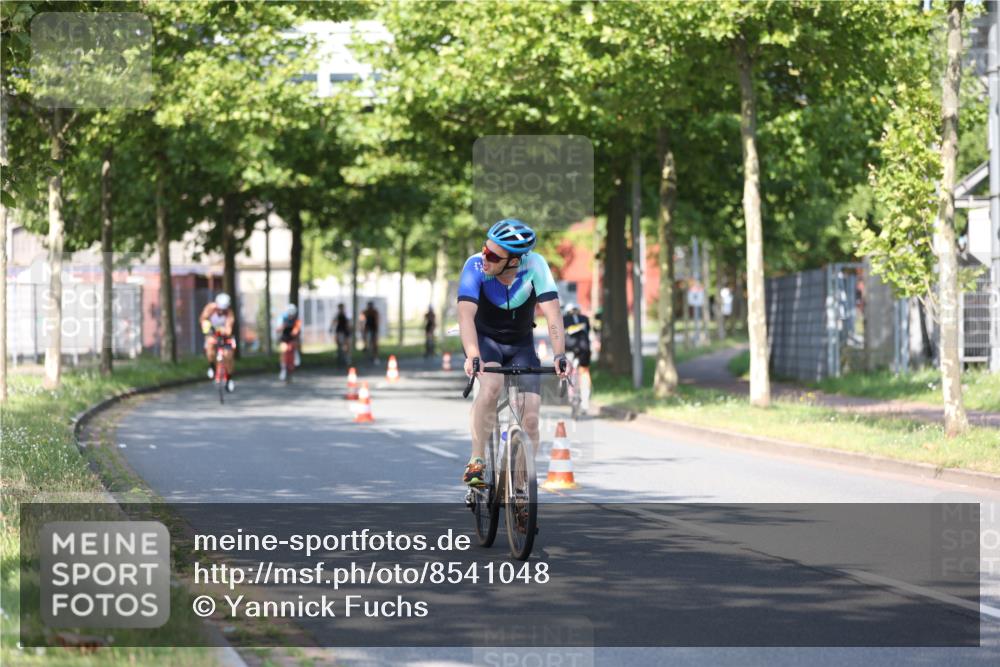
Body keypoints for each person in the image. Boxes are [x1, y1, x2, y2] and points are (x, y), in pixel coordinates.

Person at [458, 218, 569, 487]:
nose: (485, 256)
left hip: (521, 344)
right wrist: (473, 355)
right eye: (485, 248)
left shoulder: (536, 265)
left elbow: (552, 313)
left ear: (514, 261)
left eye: (493, 255)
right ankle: (477, 460)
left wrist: (559, 355)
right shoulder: (475, 266)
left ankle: (520, 488)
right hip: (486, 341)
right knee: (491, 386)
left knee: (531, 418)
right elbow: (465, 316)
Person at [200, 292, 236, 392]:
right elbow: (203, 319)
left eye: (223, 309)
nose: (221, 311)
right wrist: (206, 327)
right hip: (212, 334)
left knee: (228, 355)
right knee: (210, 347)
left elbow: (229, 329)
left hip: (224, 336)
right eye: (219, 308)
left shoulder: (229, 313)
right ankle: (212, 366)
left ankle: (229, 378)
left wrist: (224, 331)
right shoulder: (210, 309)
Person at [277, 303, 302, 381]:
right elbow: (278, 329)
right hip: (284, 338)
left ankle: (291, 368)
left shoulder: (297, 320)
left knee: (291, 351)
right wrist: (283, 326)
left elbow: (296, 330)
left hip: (292, 339)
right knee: (284, 351)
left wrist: (295, 331)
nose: (291, 316)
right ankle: (283, 369)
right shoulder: (282, 318)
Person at [562, 302, 591, 367]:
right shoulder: (585, 318)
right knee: (583, 366)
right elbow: (588, 330)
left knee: (567, 364)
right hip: (584, 347)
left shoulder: (564, 318)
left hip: (569, 346)